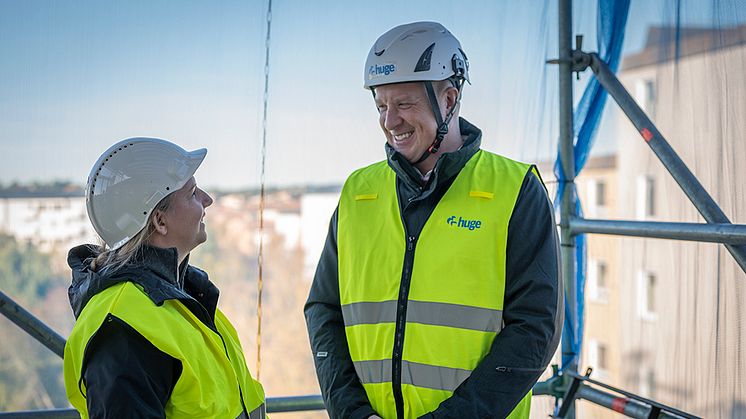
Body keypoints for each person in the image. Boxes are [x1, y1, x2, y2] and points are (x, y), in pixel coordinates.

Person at [304, 21, 562, 419]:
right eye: (381, 106)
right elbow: (324, 310)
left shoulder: (515, 190)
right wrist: (352, 412)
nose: (390, 122)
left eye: (404, 104)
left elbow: (535, 330)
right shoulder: (359, 192)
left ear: (449, 98)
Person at [63, 137, 266, 418]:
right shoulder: (122, 326)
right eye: (193, 193)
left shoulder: (186, 296)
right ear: (159, 221)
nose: (207, 200)